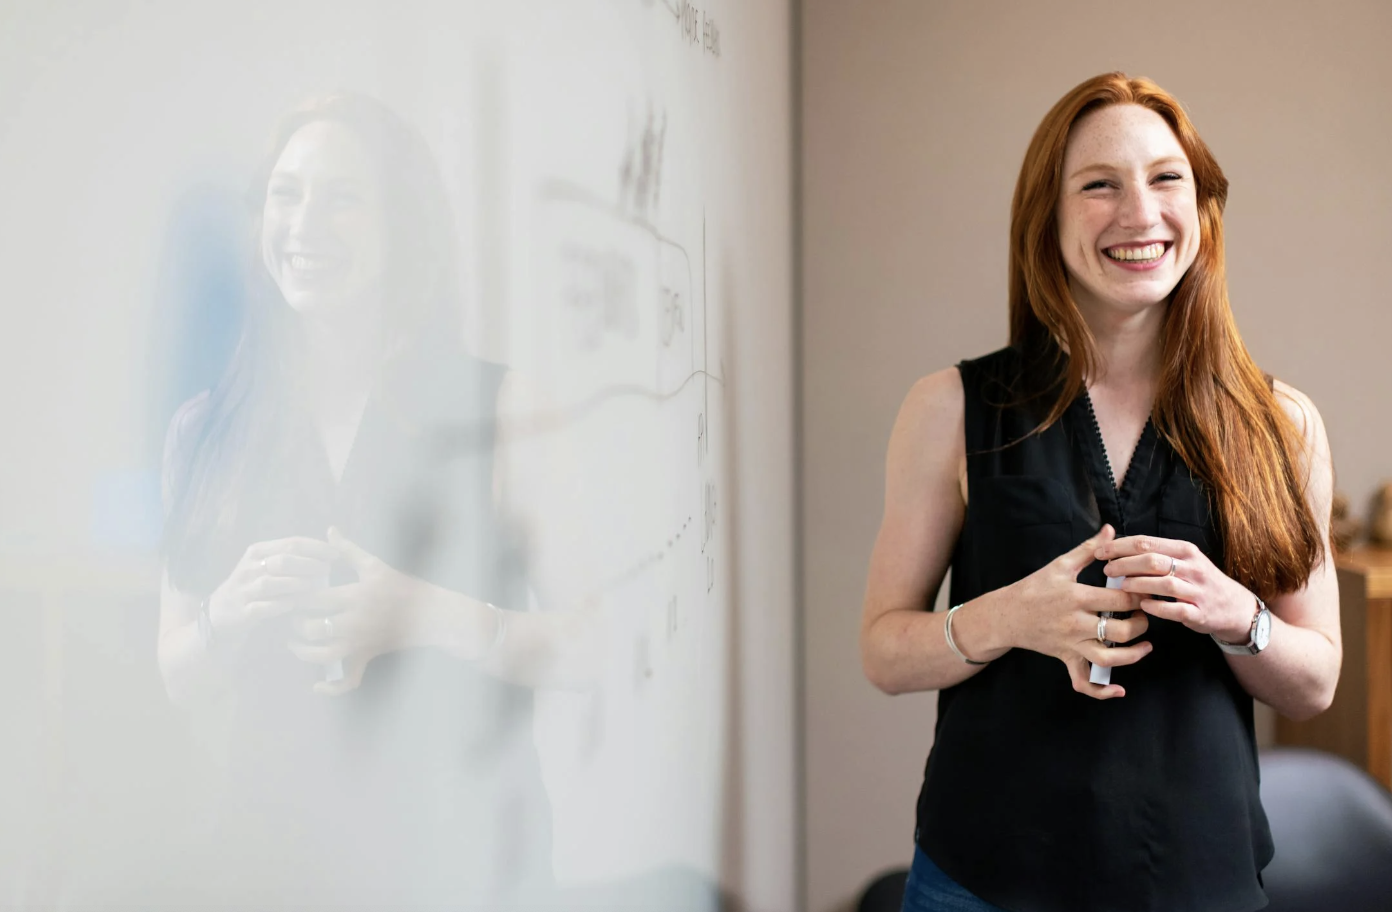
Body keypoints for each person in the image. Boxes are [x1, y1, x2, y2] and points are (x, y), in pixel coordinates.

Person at [860, 72, 1341, 912]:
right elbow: (883, 650)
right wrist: (1009, 617)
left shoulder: (1283, 424)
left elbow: (1316, 682)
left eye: (1166, 179)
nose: (1139, 213)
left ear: (1202, 208)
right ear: (1046, 216)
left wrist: (1238, 616)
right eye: (1099, 185)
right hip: (983, 883)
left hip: (1199, 882)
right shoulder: (949, 409)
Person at [157, 93, 595, 910]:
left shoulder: (505, 410)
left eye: (344, 198)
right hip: (273, 865)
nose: (305, 224)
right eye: (286, 195)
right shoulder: (204, 430)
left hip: (468, 863)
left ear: (405, 229)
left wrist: (426, 614)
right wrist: (227, 611)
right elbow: (178, 671)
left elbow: (600, 643)